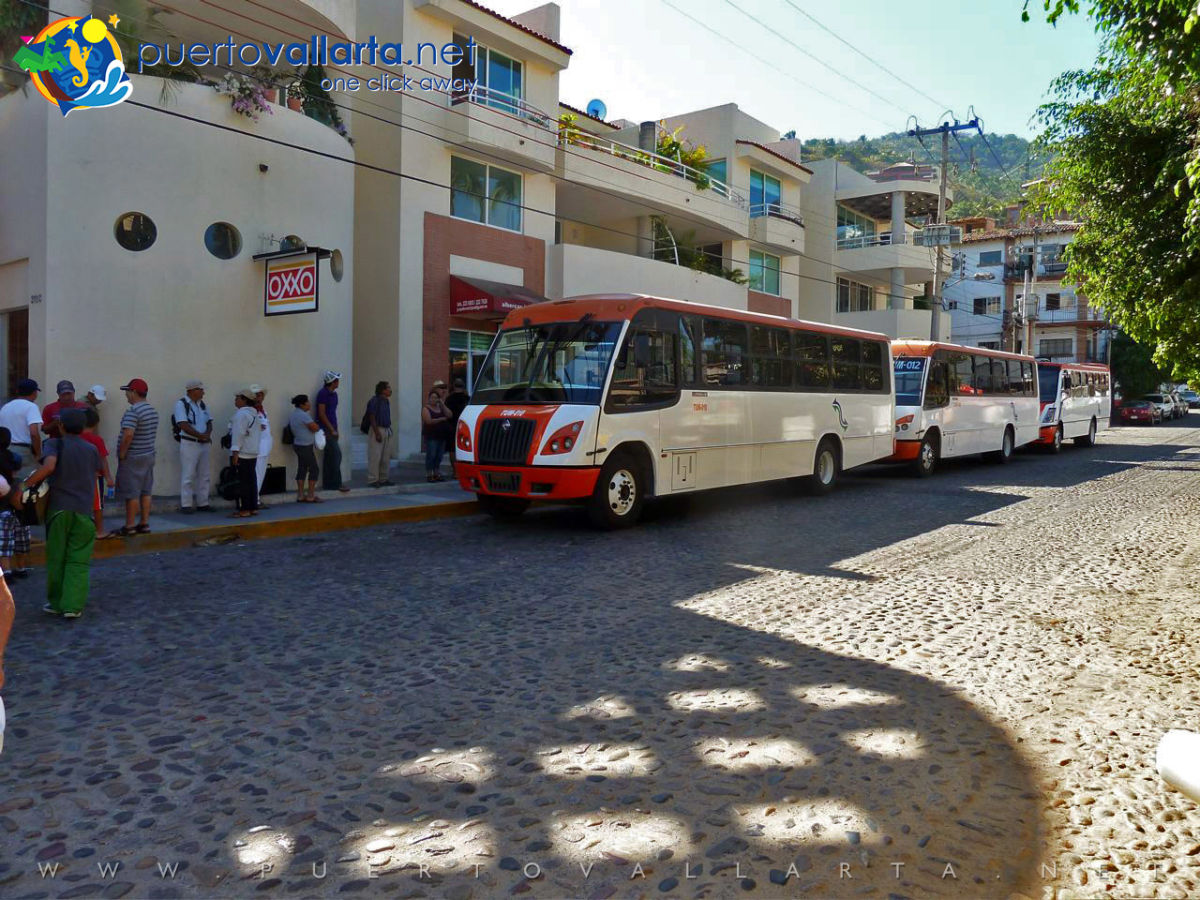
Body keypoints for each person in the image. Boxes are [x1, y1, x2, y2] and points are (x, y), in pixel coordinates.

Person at [25, 408, 99, 619]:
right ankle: (73, 606)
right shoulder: (92, 449)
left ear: (61, 426)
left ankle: (56, 602)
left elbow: (49, 467)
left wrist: (26, 485)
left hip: (59, 508)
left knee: (57, 557)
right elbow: (93, 478)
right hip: (83, 509)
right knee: (79, 559)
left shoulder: (54, 443)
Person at [114, 378, 159, 537]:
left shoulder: (133, 412)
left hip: (133, 456)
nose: (126, 395)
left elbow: (128, 435)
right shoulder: (152, 410)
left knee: (131, 493)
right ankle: (144, 523)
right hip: (148, 454)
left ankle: (130, 525)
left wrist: (122, 453)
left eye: (127, 391)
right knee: (146, 491)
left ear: (133, 392)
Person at [174, 380, 213, 514]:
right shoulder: (181, 404)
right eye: (200, 389)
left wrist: (207, 434)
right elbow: (183, 424)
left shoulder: (202, 405)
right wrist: (200, 435)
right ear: (191, 391)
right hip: (190, 443)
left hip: (204, 443)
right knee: (188, 474)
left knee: (204, 474)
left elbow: (209, 421)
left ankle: (203, 503)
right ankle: (186, 504)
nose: (203, 392)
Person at [80, 408, 115, 540]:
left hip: (78, 476)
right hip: (94, 477)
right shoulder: (97, 440)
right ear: (95, 424)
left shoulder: (75, 438)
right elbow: (103, 460)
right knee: (97, 506)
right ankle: (99, 530)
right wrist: (108, 477)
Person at [0, 430, 30, 579]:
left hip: (2, 508)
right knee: (21, 540)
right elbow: (20, 478)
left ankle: (6, 572)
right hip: (18, 505)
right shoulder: (14, 458)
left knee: (4, 543)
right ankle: (21, 568)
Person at [229, 388, 262, 518]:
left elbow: (238, 434)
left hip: (243, 452)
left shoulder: (241, 414)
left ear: (244, 400)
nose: (235, 400)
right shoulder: (254, 414)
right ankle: (253, 507)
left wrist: (235, 453)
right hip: (253, 451)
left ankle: (244, 509)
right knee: (251, 480)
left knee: (243, 481)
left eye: (237, 398)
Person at [316, 371, 349, 493]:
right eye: (336, 380)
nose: (338, 382)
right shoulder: (322, 394)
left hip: (333, 428)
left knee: (331, 456)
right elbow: (322, 413)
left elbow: (332, 413)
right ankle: (336, 483)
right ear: (332, 382)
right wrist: (331, 429)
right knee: (336, 454)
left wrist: (336, 429)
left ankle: (329, 484)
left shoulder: (334, 395)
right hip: (326, 429)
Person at [0, 379, 42, 472]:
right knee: (28, 480)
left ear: (17, 391)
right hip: (23, 451)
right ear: (34, 393)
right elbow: (34, 433)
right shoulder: (31, 407)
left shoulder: (6, 407)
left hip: (5, 451)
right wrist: (38, 454)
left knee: (10, 479)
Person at [288, 394, 322, 502]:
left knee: (302, 468)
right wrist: (316, 426)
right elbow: (315, 427)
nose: (309, 404)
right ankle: (311, 495)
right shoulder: (303, 415)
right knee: (314, 469)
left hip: (298, 444)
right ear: (302, 404)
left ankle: (301, 495)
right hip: (305, 446)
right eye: (307, 402)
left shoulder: (294, 414)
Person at [366, 381, 394, 488]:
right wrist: (377, 432)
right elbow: (372, 416)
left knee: (385, 456)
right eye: (388, 388)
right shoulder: (374, 400)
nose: (390, 390)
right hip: (377, 429)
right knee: (375, 456)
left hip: (387, 429)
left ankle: (383, 478)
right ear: (383, 390)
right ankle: (373, 479)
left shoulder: (386, 401)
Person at [421, 387, 450, 482]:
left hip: (441, 435)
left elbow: (449, 415)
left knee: (439, 455)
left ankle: (437, 473)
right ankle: (429, 474)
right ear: (429, 399)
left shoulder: (440, 408)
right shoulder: (426, 409)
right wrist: (440, 419)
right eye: (432, 397)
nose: (433, 399)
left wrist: (442, 404)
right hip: (431, 436)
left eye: (435, 398)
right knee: (431, 455)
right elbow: (428, 421)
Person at [250, 385, 273, 503]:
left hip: (264, 448)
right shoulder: (250, 411)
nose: (260, 397)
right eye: (258, 395)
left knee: (260, 475)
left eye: (261, 395)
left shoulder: (262, 410)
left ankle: (256, 498)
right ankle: (254, 500)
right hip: (257, 449)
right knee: (256, 475)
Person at [444, 378, 469, 475]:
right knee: (465, 448)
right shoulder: (467, 398)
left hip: (452, 426)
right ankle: (463, 471)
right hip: (465, 426)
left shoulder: (449, 399)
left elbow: (446, 413)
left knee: (452, 449)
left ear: (454, 386)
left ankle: (455, 472)